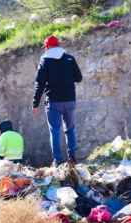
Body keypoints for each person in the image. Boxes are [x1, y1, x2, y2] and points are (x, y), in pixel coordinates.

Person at [32, 35, 83, 167]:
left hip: (53, 102)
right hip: (70, 101)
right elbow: (79, 78)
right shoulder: (70, 58)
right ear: (58, 45)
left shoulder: (45, 61)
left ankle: (58, 161)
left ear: (48, 47)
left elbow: (40, 84)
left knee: (55, 131)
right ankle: (72, 158)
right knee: (70, 129)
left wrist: (35, 103)